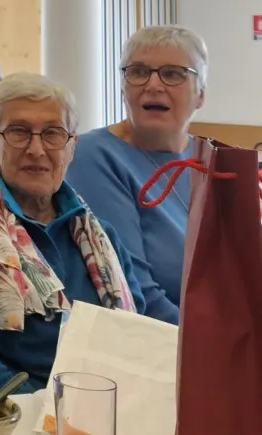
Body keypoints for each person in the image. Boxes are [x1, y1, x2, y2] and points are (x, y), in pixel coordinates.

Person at [0, 73, 147, 393]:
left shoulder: (100, 237)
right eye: (18, 132)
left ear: (72, 146)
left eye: (53, 133)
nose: (36, 149)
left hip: (97, 404)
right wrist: (32, 405)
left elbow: (134, 334)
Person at [69, 26, 209, 324]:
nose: (153, 85)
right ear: (123, 88)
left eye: (173, 74)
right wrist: (214, 342)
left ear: (200, 95)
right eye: (138, 72)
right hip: (162, 337)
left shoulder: (210, 158)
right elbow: (136, 295)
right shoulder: (93, 156)